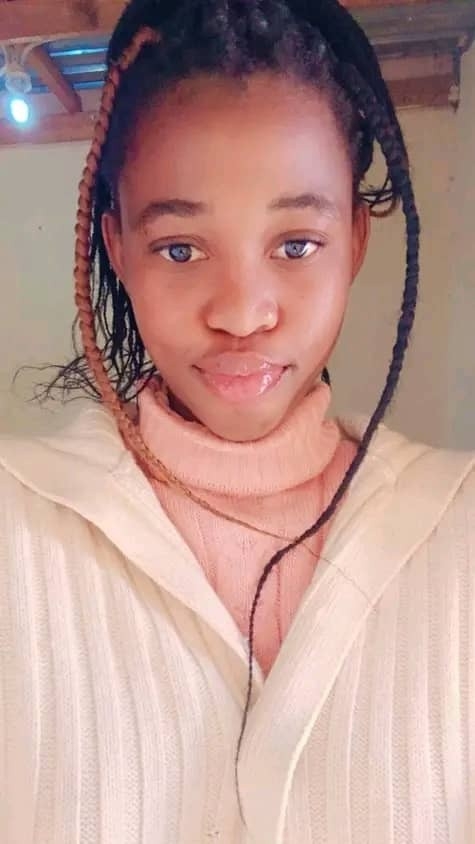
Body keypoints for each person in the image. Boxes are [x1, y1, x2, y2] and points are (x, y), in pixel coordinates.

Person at [1, 0, 474, 841]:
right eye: (180, 249)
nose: (242, 313)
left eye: (295, 245)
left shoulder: (458, 526)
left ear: (355, 240)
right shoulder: (15, 520)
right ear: (118, 248)